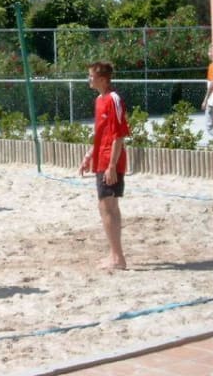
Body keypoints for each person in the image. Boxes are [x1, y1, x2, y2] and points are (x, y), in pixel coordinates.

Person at [78, 61, 129, 271]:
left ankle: (117, 258)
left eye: (90, 76)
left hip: (110, 160)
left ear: (101, 78)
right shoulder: (99, 100)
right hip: (101, 158)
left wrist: (111, 165)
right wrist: (89, 155)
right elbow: (101, 133)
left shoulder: (114, 99)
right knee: (106, 207)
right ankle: (114, 254)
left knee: (108, 207)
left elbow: (119, 136)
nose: (88, 79)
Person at [201, 43, 213, 140]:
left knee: (210, 127)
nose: (208, 54)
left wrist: (206, 99)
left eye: (210, 52)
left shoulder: (212, 66)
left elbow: (212, 85)